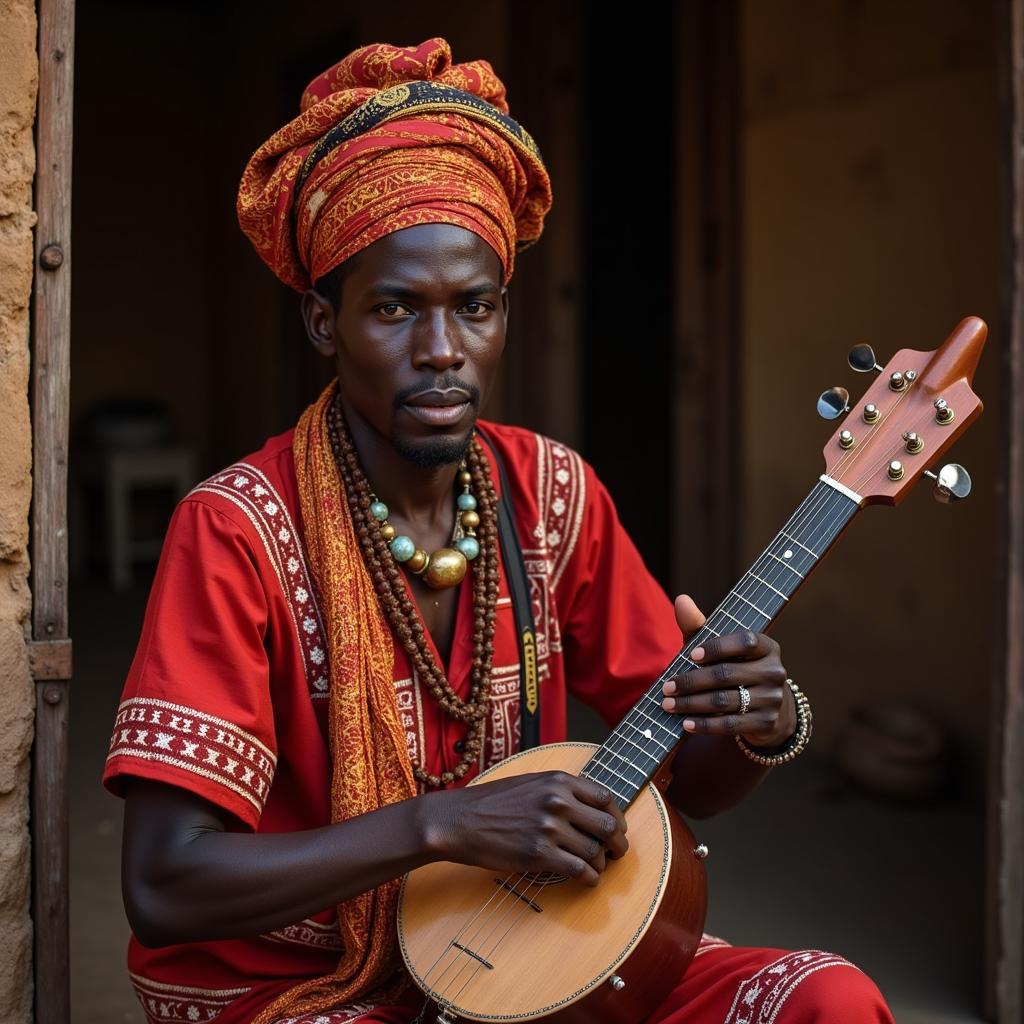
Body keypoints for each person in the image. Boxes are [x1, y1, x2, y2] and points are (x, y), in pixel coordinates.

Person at [101, 38, 894, 1024]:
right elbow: (166, 884)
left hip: (531, 951)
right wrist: (440, 825)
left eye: (472, 308)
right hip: (301, 986)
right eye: (393, 308)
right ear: (322, 320)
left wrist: (754, 722)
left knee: (827, 998)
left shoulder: (553, 494)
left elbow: (691, 773)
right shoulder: (236, 532)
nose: (442, 351)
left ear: (503, 316)